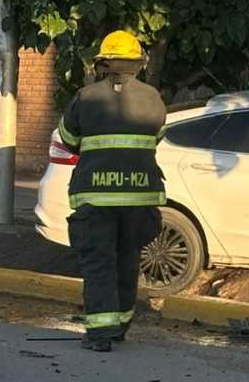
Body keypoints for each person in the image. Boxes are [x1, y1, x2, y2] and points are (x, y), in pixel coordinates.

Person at [58, 30, 166, 352]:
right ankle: (119, 327)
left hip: (96, 197)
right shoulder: (154, 98)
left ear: (102, 63)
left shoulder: (86, 97)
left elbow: (68, 138)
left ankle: (101, 335)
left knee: (99, 262)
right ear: (138, 63)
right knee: (127, 259)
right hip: (139, 198)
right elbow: (156, 138)